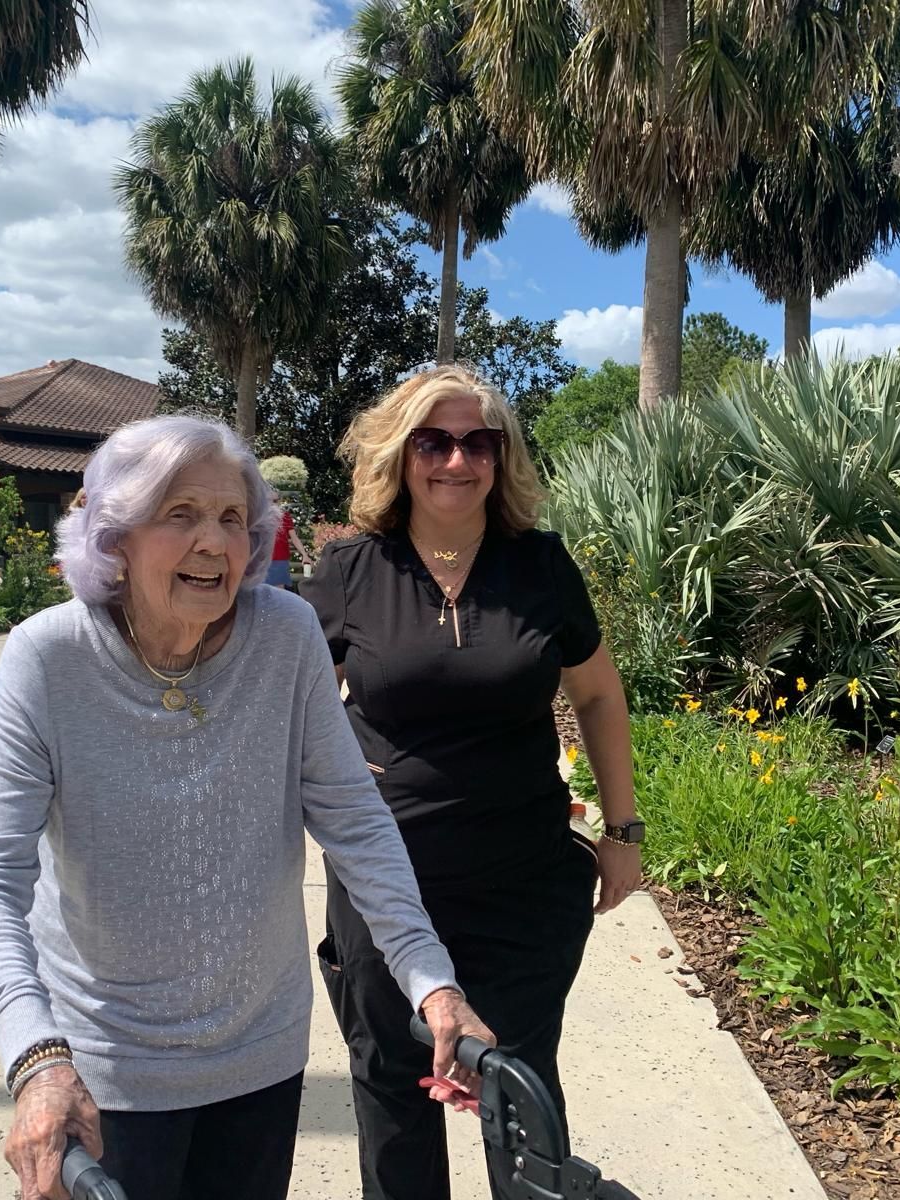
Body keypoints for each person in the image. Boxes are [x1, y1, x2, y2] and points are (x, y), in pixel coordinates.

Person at [0, 413, 493, 1200]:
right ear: (115, 536)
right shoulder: (49, 657)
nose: (215, 542)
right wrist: (36, 1058)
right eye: (180, 514)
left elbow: (354, 821)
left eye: (234, 519)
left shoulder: (286, 634)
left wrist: (433, 984)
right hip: (104, 1070)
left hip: (260, 1055)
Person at [306, 365, 642, 1200]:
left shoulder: (540, 567)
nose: (456, 461)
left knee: (522, 1088)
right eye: (433, 441)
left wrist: (623, 831)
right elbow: (290, 707)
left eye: (477, 443)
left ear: (502, 457)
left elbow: (598, 693)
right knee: (391, 1083)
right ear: (400, 452)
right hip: (389, 881)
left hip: (522, 881)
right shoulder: (352, 569)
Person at [265, 490, 313, 590]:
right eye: (269, 501)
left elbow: (294, 537)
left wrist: (304, 555)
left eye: (275, 501)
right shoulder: (259, 517)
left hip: (280, 560)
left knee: (279, 592)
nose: (272, 504)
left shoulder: (284, 516)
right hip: (263, 560)